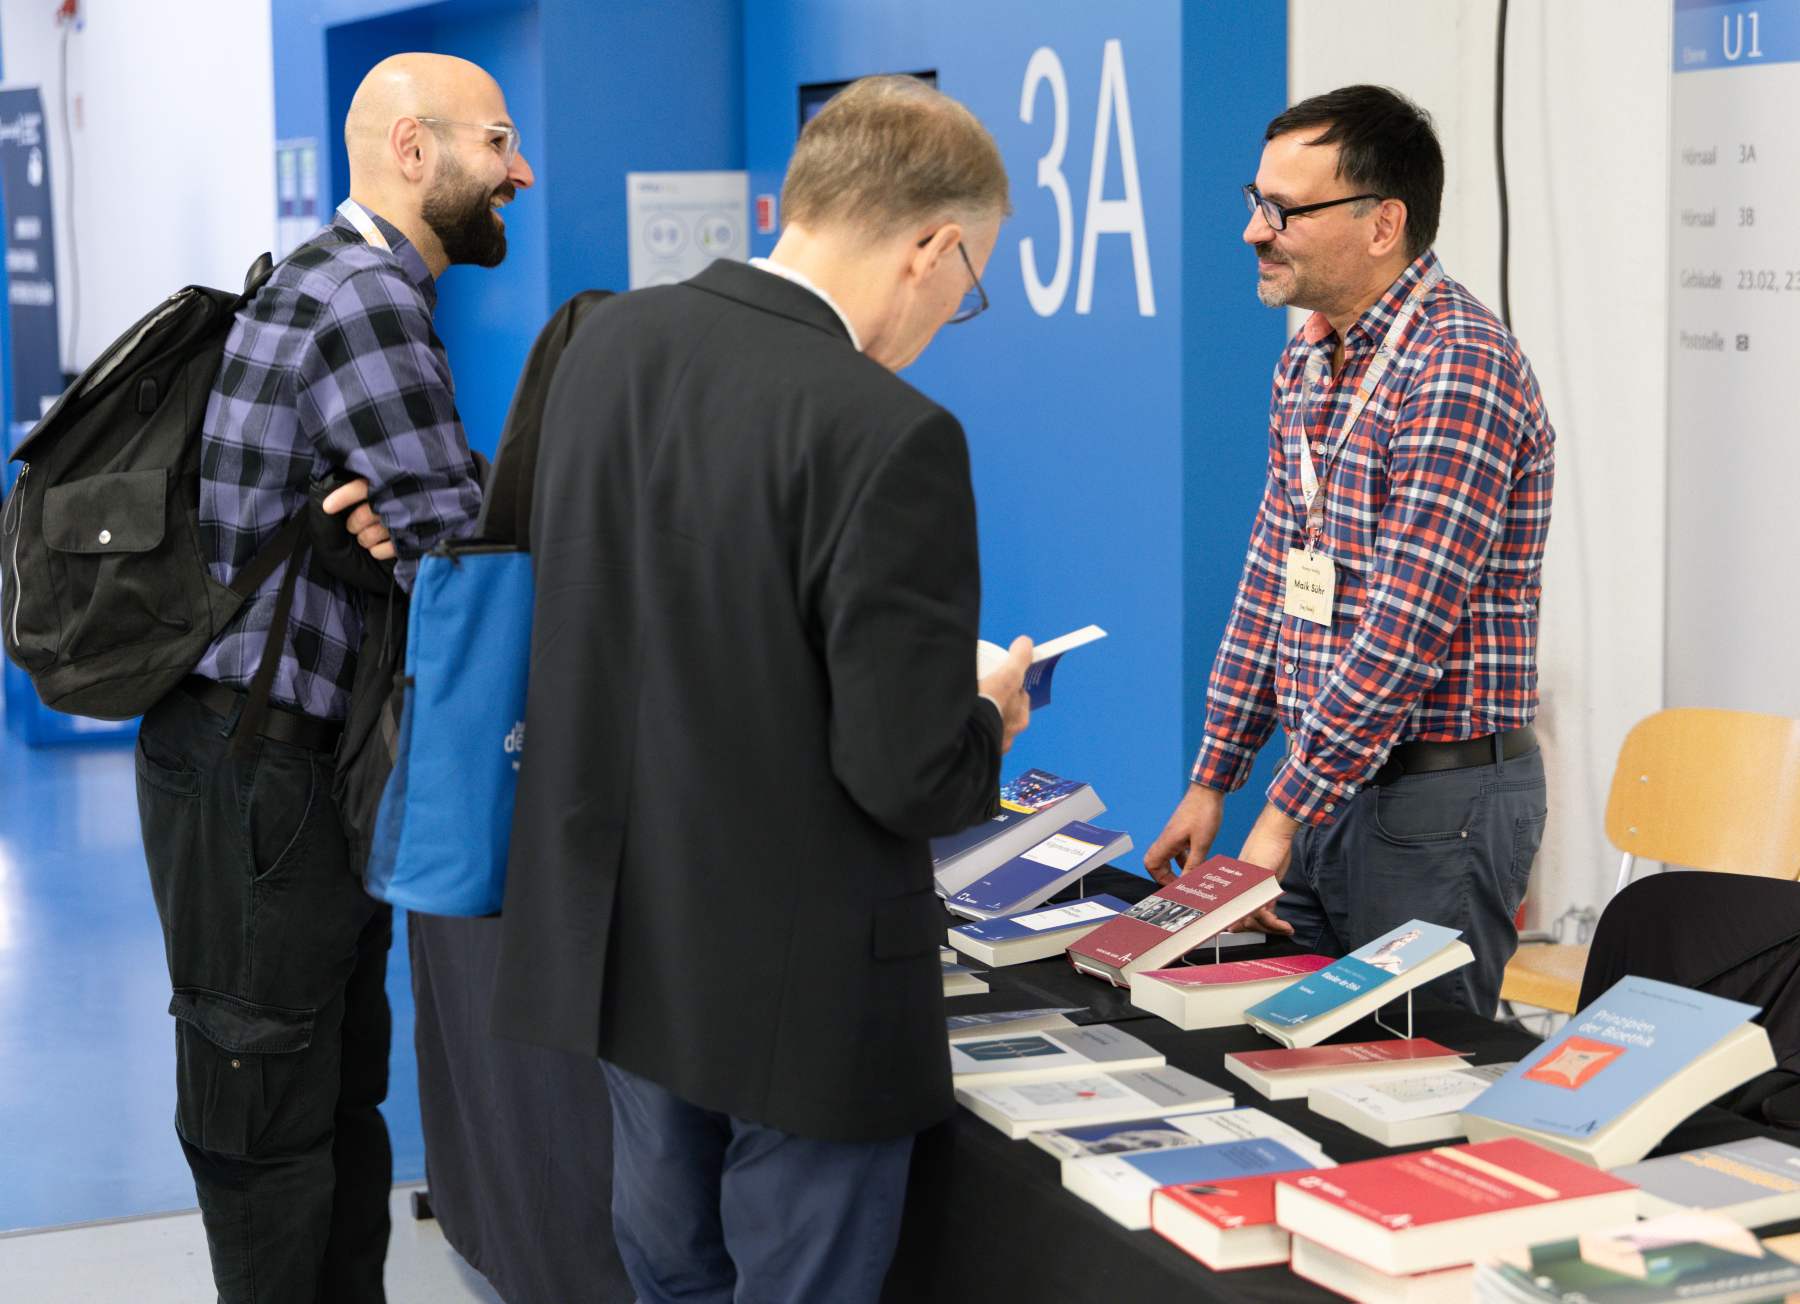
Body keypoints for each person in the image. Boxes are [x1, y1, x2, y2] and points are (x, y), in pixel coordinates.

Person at [491, 75, 1031, 1304]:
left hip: (620, 937)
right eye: (969, 282)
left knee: (669, 1273)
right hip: (802, 982)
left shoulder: (599, 346)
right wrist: (987, 714)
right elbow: (906, 773)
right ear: (930, 247)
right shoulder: (890, 431)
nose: (951, 311)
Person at [132, 53, 533, 1303]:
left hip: (265, 770)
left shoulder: (320, 274)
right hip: (265, 782)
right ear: (414, 149)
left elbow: (428, 517)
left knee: (331, 1106)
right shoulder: (365, 300)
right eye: (497, 140)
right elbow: (460, 550)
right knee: (271, 1130)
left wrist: (427, 517)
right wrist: (454, 523)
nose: (519, 170)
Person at [1144, 84, 1555, 1017]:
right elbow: (1270, 580)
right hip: (1328, 784)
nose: (1255, 230)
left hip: (1434, 807)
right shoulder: (1309, 357)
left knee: (1412, 1072)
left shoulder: (1457, 365)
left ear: (1383, 224)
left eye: (1285, 210)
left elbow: (1404, 630)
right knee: (1278, 1050)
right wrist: (1214, 778)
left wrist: (1280, 815)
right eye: (1257, 201)